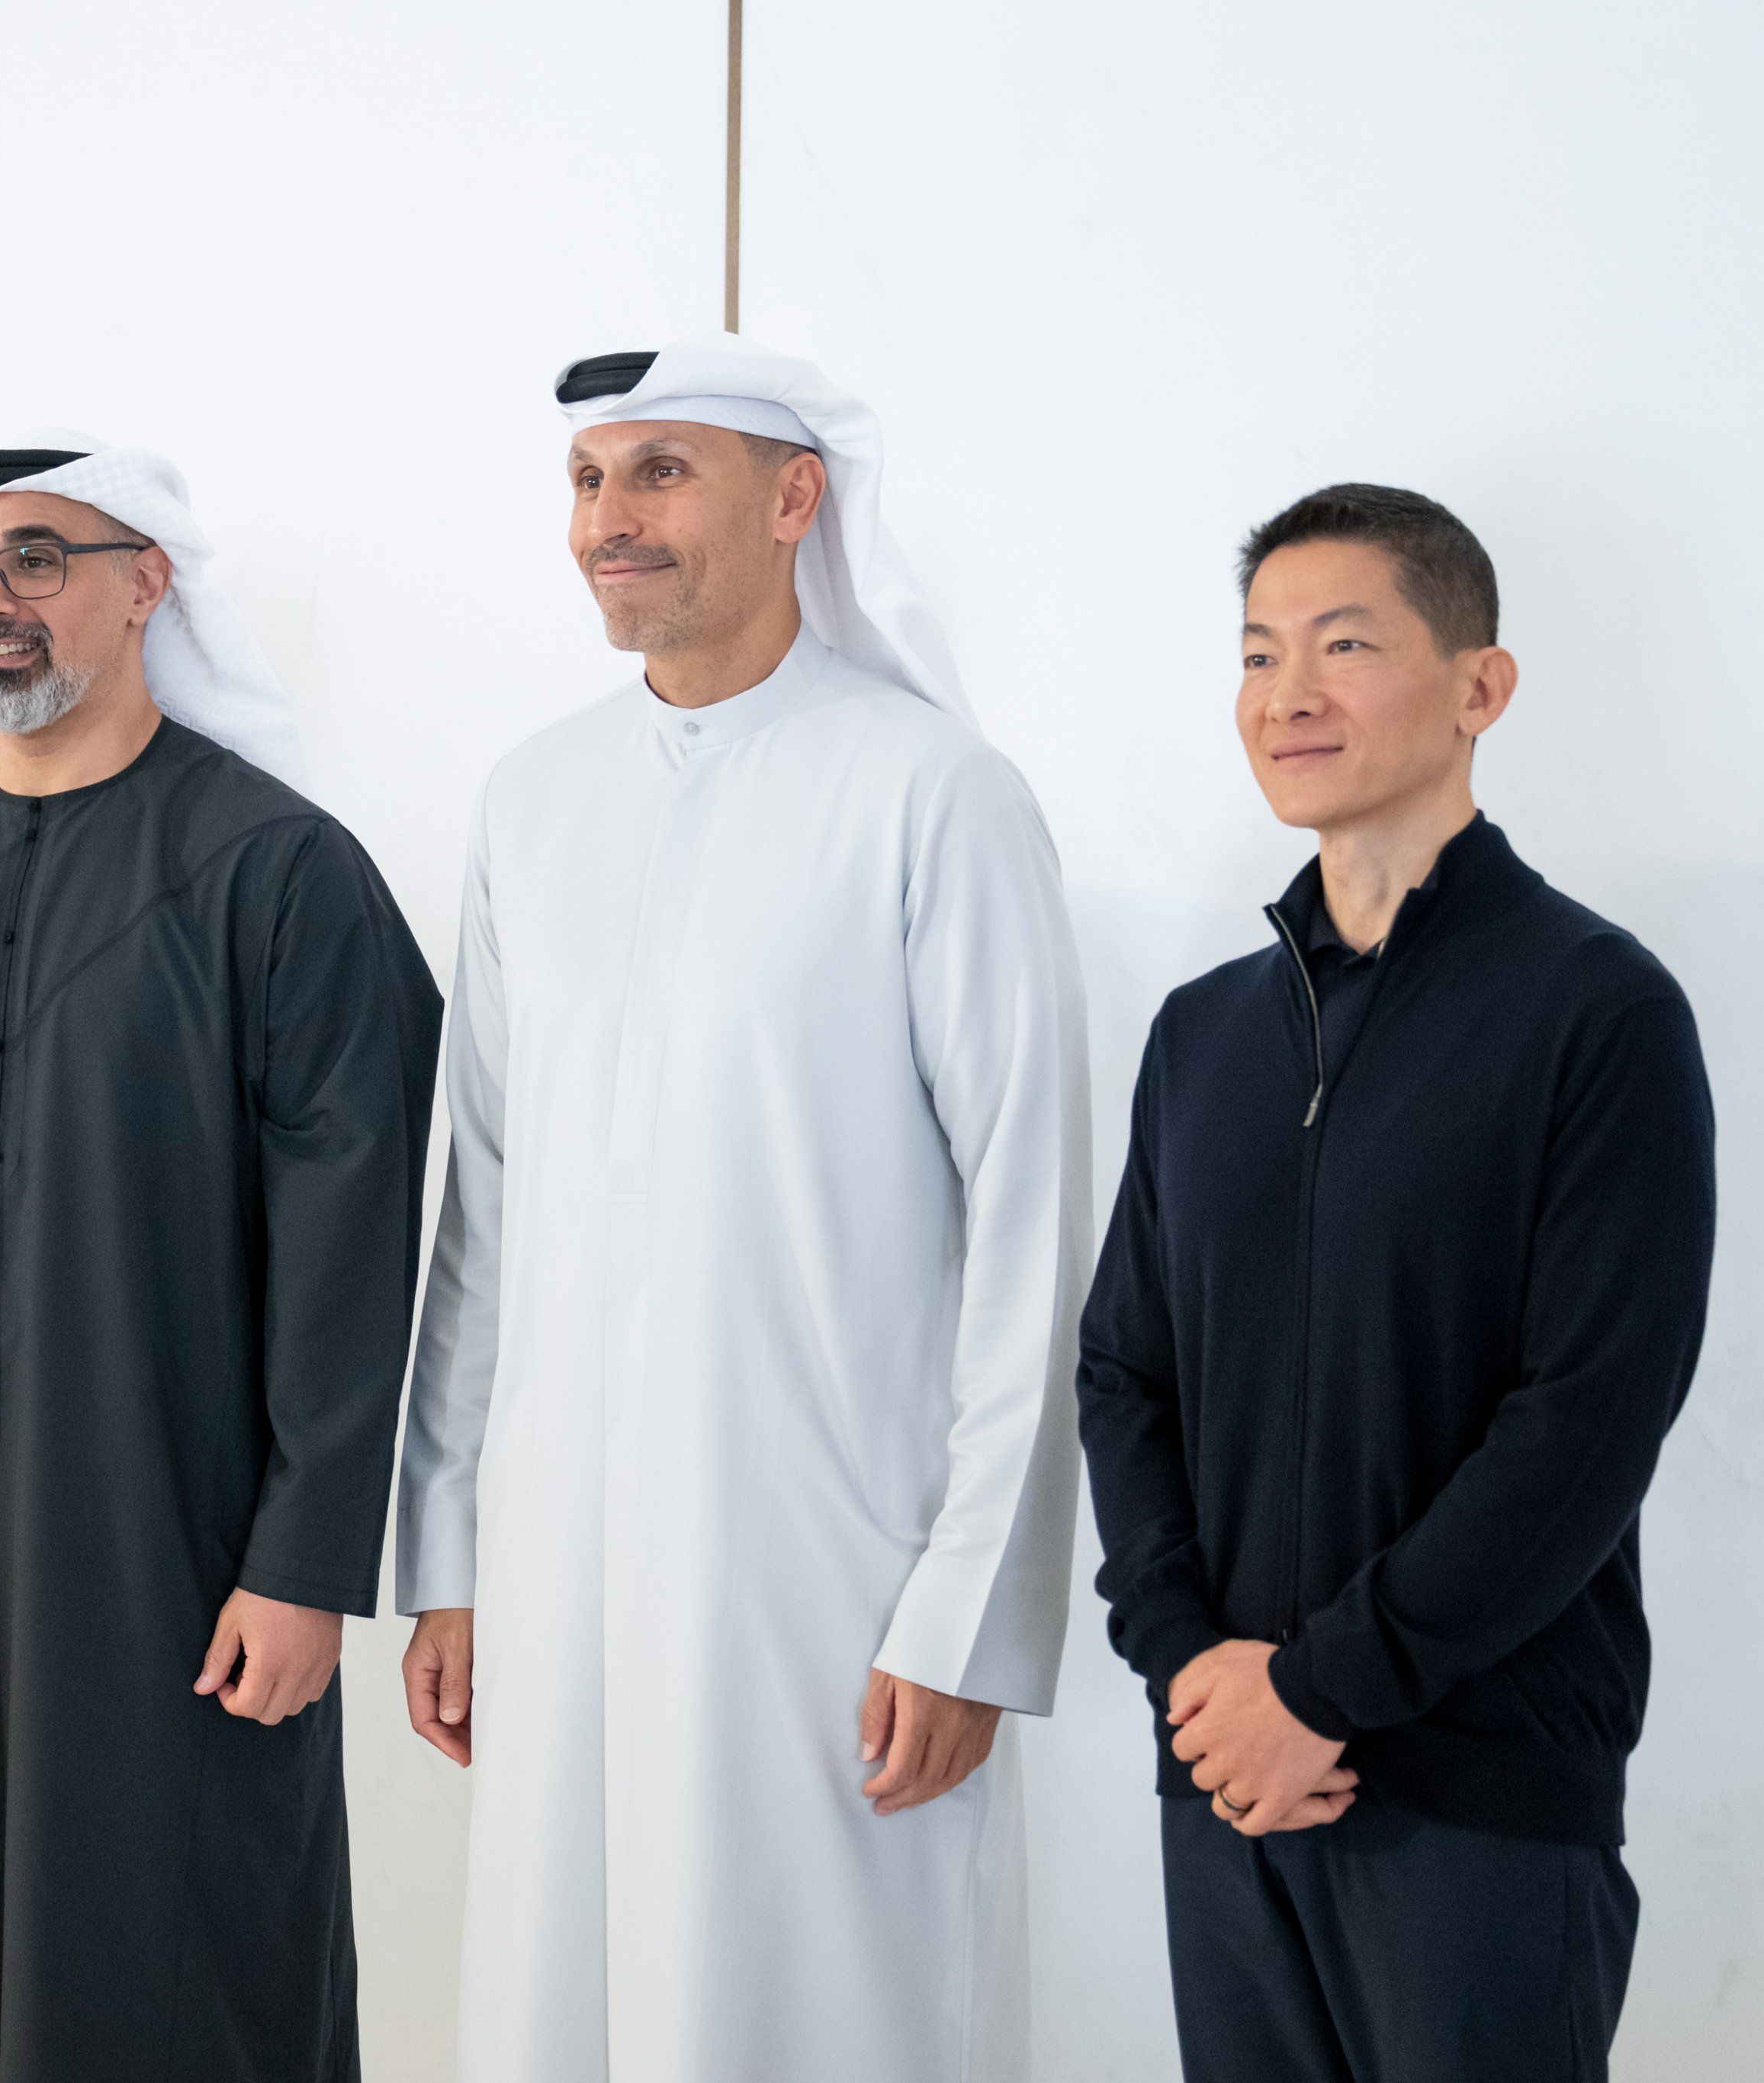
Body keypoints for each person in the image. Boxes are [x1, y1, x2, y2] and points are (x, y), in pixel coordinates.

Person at [391, 336, 1091, 2081]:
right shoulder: (530, 798)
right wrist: (452, 1558)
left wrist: (964, 1618)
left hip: (827, 1588)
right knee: (560, 2009)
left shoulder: (933, 795)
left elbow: (1030, 1229)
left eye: (657, 472)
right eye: (583, 479)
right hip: (554, 1572)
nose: (605, 520)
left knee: (819, 2015)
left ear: (797, 499)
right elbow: (476, 1204)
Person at [0, 441, 442, 2081]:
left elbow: (356, 1250)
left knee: (178, 1960)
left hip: (176, 1557)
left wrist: (306, 1557)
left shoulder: (279, 875)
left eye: (37, 559)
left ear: (146, 583)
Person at [1075, 484, 1716, 2083]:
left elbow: (1581, 1422)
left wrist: (1322, 1686)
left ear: (1476, 687)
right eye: (1255, 653)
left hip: (1477, 1793)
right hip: (1225, 1786)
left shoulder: (1594, 1011)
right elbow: (1120, 1373)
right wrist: (1193, 1677)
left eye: (1341, 644)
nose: (1286, 693)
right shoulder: (1201, 1033)